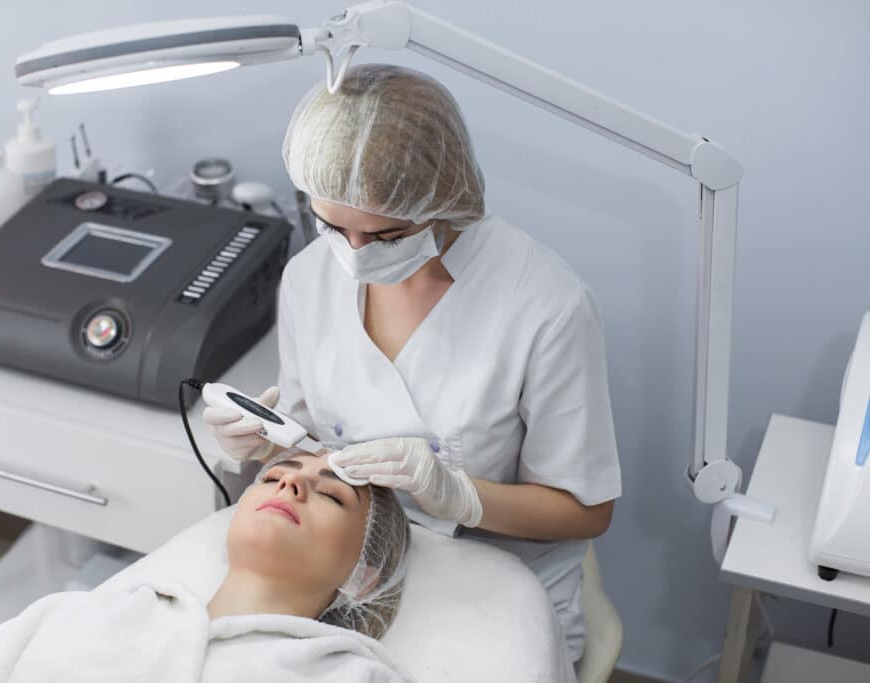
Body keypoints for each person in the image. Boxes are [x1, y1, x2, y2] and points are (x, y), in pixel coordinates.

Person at [203, 63, 622, 662]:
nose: (354, 255)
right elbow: (313, 444)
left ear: (445, 200)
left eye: (387, 235)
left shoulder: (547, 307)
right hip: (339, 574)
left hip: (490, 589)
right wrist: (266, 444)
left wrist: (459, 496)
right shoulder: (309, 277)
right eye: (331, 226)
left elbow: (589, 510)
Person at [0, 451, 412, 682]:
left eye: (330, 494)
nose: (290, 486)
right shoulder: (85, 614)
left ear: (364, 575)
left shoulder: (349, 676)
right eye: (276, 475)